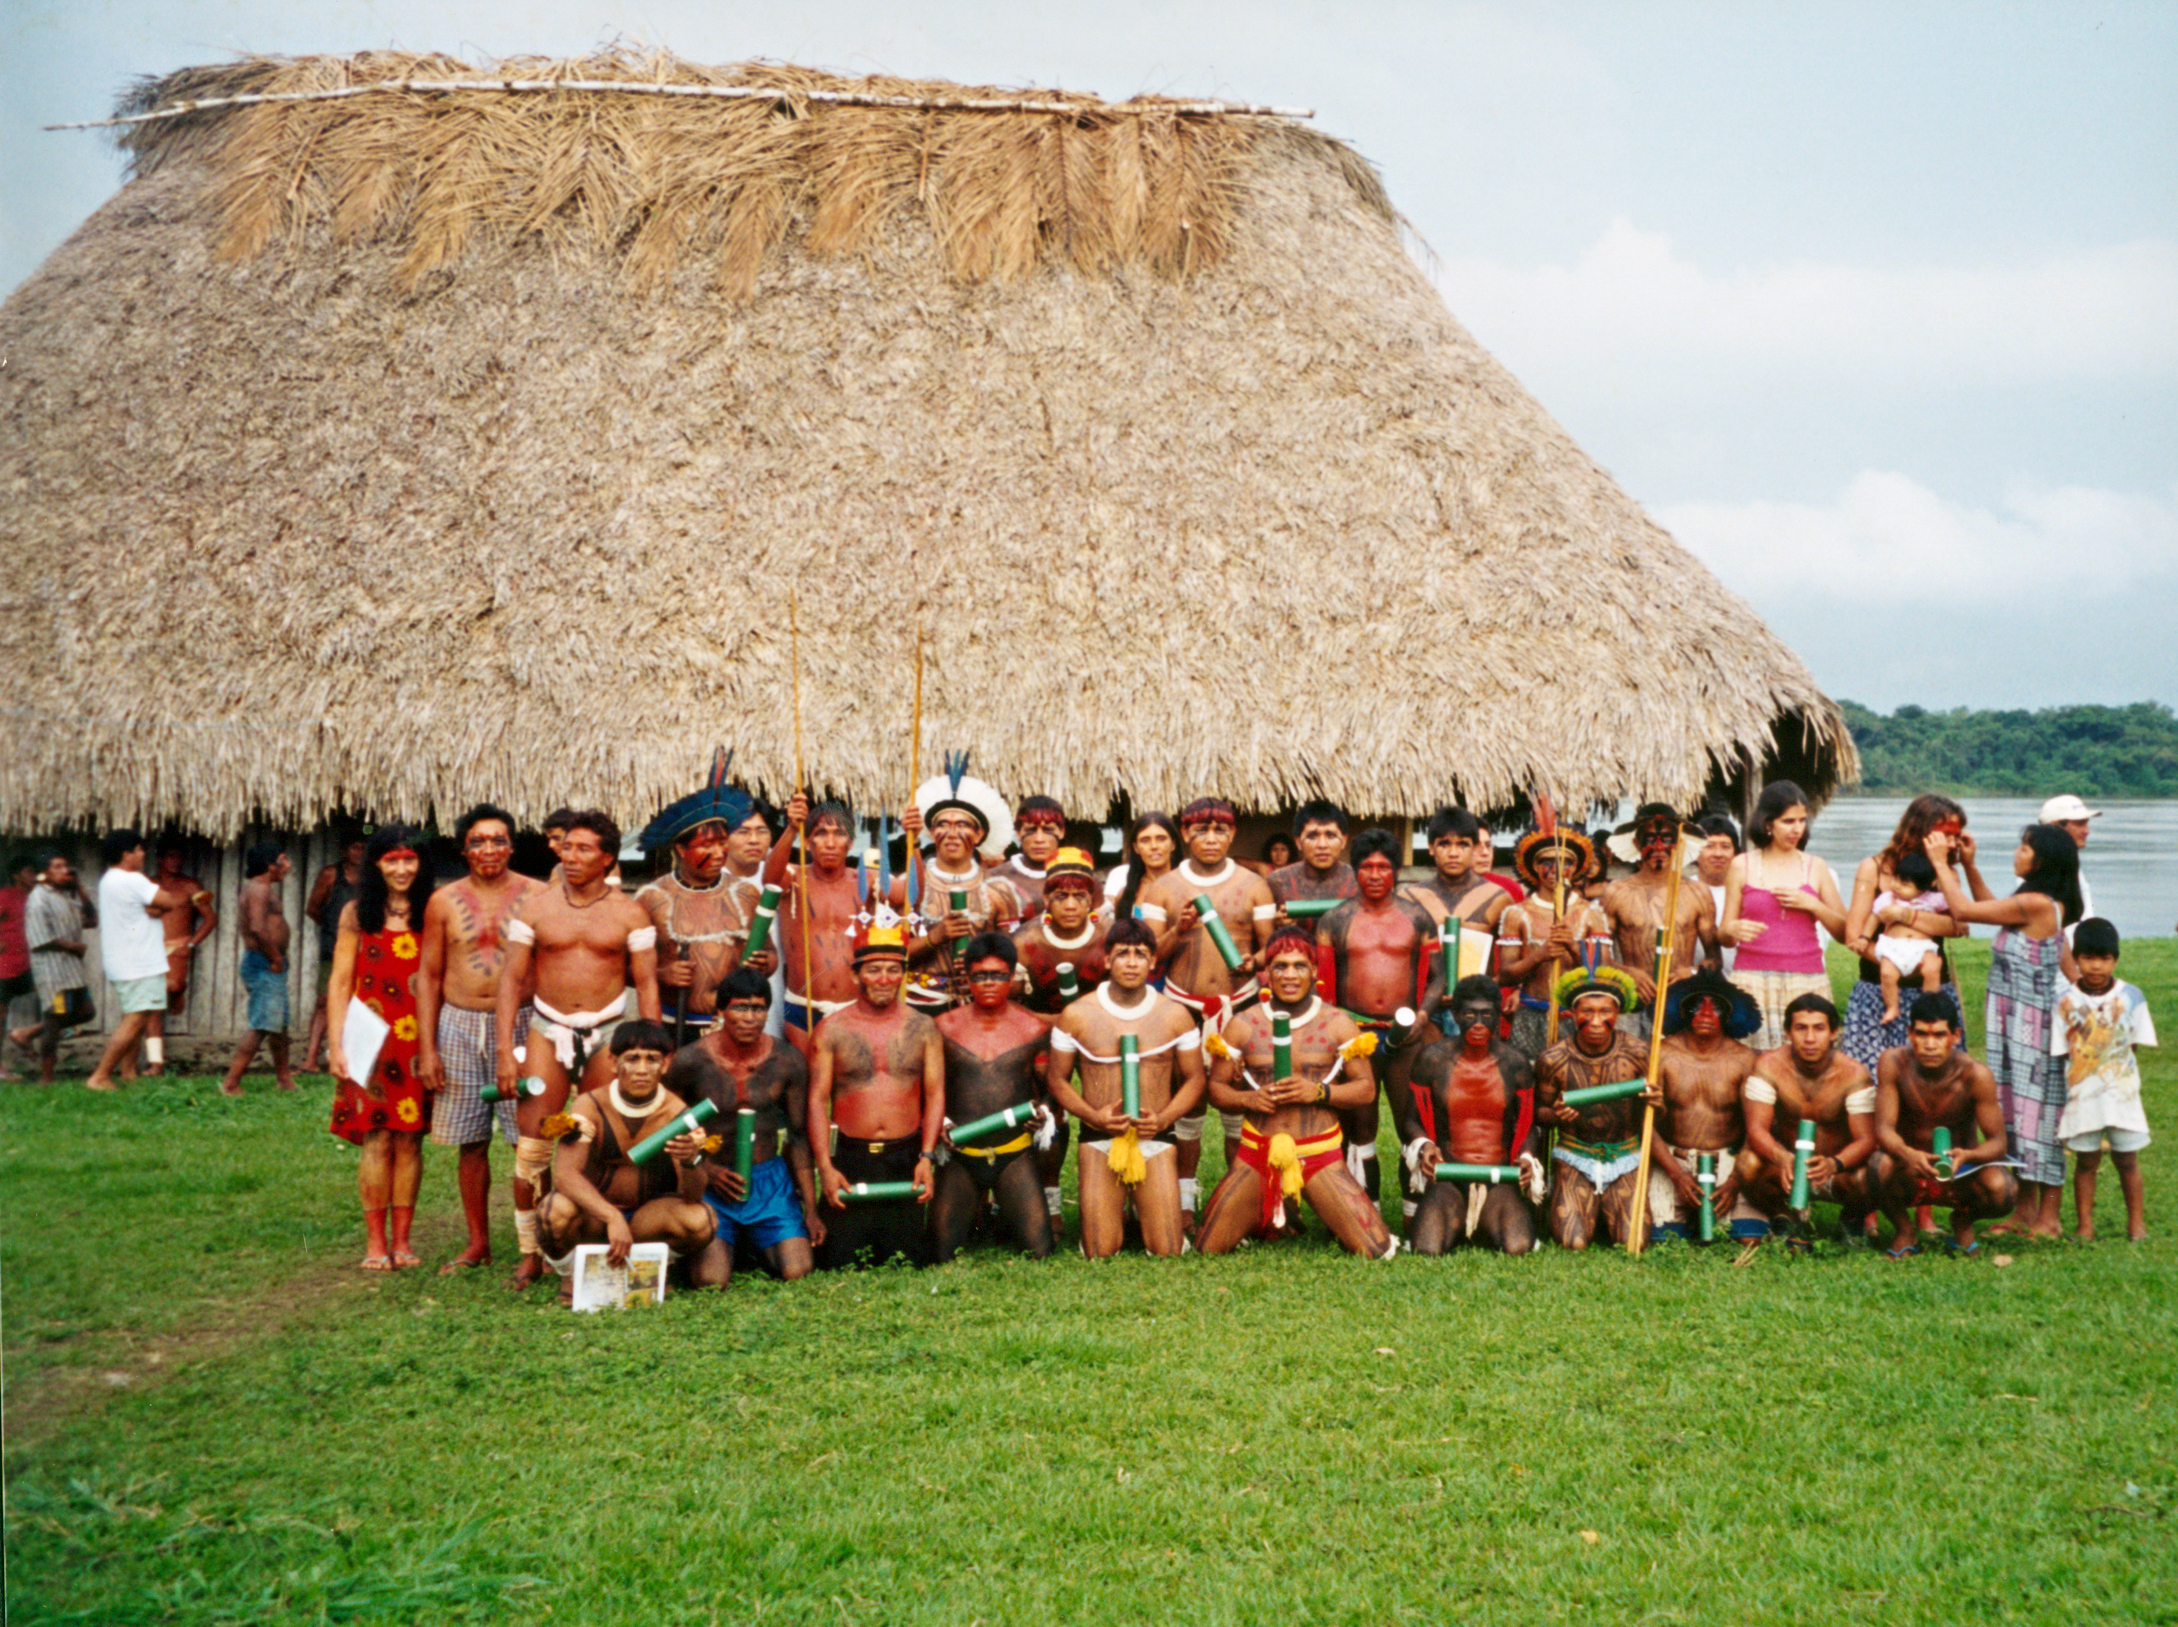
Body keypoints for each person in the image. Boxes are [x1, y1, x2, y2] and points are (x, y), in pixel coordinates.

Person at [496, 809, 662, 1288]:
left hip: (608, 1032)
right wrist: (506, 1050)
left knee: (601, 1144)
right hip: (546, 1028)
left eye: (583, 849)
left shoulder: (630, 913)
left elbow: (647, 985)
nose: (570, 857)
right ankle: (531, 1252)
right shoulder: (536, 908)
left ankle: (592, 1240)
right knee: (533, 1146)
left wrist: (652, 1050)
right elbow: (511, 980)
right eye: (566, 847)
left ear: (607, 858)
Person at [1197, 926, 1396, 1258]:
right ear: (1266, 973)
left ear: (1314, 971)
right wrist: (1248, 1098)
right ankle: (1273, 1211)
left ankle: (1291, 1209)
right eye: (1280, 966)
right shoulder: (1243, 1023)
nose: (1290, 975)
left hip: (1319, 1152)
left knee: (1376, 1249)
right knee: (1208, 1248)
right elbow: (1216, 1089)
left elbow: (1365, 1090)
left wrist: (1318, 1092)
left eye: (1299, 966)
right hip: (1258, 1152)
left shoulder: (1338, 1023)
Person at [1926, 821, 2079, 1242]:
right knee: (2015, 1117)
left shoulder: (2037, 903)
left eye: (2024, 848)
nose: (2017, 852)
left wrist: (1940, 862)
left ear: (2043, 860)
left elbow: (1963, 911)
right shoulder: (2031, 903)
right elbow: (1991, 906)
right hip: (2013, 1028)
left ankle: (2049, 1218)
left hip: (2032, 1029)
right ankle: (2024, 1211)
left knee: (2041, 1119)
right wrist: (1970, 867)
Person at [416, 803, 545, 1273]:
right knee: (470, 1141)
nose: (488, 849)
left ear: (511, 846)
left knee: (528, 1139)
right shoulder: (443, 901)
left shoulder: (538, 895)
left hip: (523, 1022)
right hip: (459, 1022)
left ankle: (540, 1241)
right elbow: (429, 976)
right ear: (464, 849)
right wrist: (427, 1048)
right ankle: (478, 1243)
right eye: (478, 841)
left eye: (497, 840)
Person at [1138, 797, 1276, 1222]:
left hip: (1241, 1005)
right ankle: (1183, 1201)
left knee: (1239, 1103)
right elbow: (1149, 957)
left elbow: (1270, 947)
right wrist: (1178, 930)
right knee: (1189, 1103)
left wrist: (1255, 961)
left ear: (1232, 834)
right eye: (1201, 830)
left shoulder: (1254, 884)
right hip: (1183, 1005)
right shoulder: (1162, 888)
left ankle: (1239, 1200)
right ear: (1185, 833)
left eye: (1220, 830)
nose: (1211, 838)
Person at [1044, 917, 1206, 1259]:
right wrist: (1094, 1117)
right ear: (1106, 960)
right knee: (1099, 1251)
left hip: (1154, 1136)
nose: (1131, 962)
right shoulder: (1077, 1014)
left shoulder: (1175, 1014)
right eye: (1122, 954)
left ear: (1153, 961)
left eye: (1140, 954)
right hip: (1099, 1136)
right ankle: (1119, 1209)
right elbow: (1057, 1079)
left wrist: (1163, 1119)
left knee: (1167, 1250)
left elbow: (1195, 1079)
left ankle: (1142, 1207)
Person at [537, 1019, 715, 1302]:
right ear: (612, 1062)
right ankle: (571, 1272)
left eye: (652, 1059)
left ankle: (658, 1265)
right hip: (595, 1217)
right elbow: (565, 1175)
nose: (642, 1069)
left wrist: (691, 1160)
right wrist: (612, 1217)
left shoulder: (677, 1113)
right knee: (553, 1213)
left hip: (646, 1220)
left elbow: (692, 1196)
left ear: (666, 1064)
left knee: (701, 1221)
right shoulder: (589, 1105)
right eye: (632, 1058)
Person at [327, 824, 436, 1270]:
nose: (402, 869)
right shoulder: (357, 913)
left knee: (409, 1140)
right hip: (368, 1040)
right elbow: (339, 982)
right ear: (376, 863)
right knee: (377, 1137)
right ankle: (375, 1244)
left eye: (410, 859)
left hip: (419, 1041)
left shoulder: (434, 910)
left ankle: (403, 1242)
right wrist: (336, 1045)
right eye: (392, 860)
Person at [1315, 828, 1444, 1208]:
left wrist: (1422, 1016)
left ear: (1396, 871)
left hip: (1407, 1036)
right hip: (1355, 1035)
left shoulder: (1417, 917)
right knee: (1360, 1128)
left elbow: (1439, 977)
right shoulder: (1335, 920)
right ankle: (1362, 1213)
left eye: (1383, 867)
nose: (1375, 875)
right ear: (1354, 870)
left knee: (1412, 1127)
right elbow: (1323, 986)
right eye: (1367, 867)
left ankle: (1414, 1212)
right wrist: (1338, 1032)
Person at [667, 967, 819, 1284]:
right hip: (712, 1180)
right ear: (721, 1010)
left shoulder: (787, 1060)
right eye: (740, 1007)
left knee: (798, 1271)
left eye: (759, 1008)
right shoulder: (690, 1061)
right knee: (711, 1281)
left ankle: (753, 1239)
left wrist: (812, 1210)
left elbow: (798, 1135)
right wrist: (706, 1170)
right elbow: (668, 1129)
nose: (750, 1018)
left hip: (768, 1180)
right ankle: (731, 1242)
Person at [809, 922, 943, 1268]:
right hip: (851, 1158)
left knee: (909, 1260)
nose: (884, 979)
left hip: (905, 1157)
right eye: (874, 970)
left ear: (903, 975)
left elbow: (935, 1094)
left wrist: (926, 1158)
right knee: (837, 1261)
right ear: (856, 975)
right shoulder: (831, 1029)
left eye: (893, 970)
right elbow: (817, 1101)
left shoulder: (923, 1027)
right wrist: (825, 1167)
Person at [930, 933, 1054, 1262]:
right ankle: (981, 1217)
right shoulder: (942, 1027)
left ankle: (997, 1217)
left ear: (1011, 977)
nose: (988, 983)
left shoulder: (1034, 1029)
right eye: (980, 975)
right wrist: (942, 1122)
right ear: (967, 978)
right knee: (940, 1252)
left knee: (1040, 1249)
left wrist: (1043, 1113)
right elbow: (928, 1089)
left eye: (997, 975)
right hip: (961, 1152)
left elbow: (1050, 1089)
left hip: (1014, 1152)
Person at [1398, 975, 1543, 1255]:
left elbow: (1528, 1126)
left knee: (1518, 1247)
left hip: (1498, 1177)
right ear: (1455, 1015)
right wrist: (1425, 1146)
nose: (1478, 1023)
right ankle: (1460, 1218)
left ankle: (1484, 1219)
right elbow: (1410, 1120)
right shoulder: (1432, 1059)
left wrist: (1526, 1158)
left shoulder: (1515, 1064)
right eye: (1469, 1014)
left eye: (1486, 1015)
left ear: (1498, 1016)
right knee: (1426, 1249)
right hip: (1448, 1177)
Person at [1870, 994, 2018, 1256]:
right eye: (1921, 1034)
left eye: (1939, 1035)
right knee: (1877, 1167)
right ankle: (1905, 1231)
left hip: (1959, 1174)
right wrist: (1907, 1153)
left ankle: (1962, 1221)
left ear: (1955, 1036)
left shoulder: (1976, 1075)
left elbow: (1998, 1142)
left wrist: (1968, 1156)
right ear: (1910, 1033)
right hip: (1910, 1169)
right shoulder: (1893, 1063)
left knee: (2003, 1190)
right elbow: (1883, 1129)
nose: (1930, 1045)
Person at [635, 772, 773, 1043]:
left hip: (735, 1030)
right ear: (681, 849)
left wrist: (767, 962)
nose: (720, 853)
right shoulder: (652, 898)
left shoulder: (745, 893)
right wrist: (661, 974)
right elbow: (623, 968)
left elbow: (770, 952)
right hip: (674, 1026)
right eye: (708, 845)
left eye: (723, 843)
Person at [1010, 848, 1107, 1231]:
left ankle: (1118, 1193)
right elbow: (1010, 1006)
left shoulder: (1107, 936)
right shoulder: (1026, 940)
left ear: (1092, 900)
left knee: (1107, 1104)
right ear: (1046, 897)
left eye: (1079, 896)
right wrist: (1058, 1022)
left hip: (1098, 1033)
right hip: (1042, 1036)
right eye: (1061, 896)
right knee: (1051, 1112)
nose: (1070, 905)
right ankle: (1048, 1199)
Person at [1838, 796, 1971, 1071]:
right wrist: (1897, 962)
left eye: (1956, 837)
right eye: (1946, 835)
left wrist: (1905, 916)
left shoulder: (1945, 874)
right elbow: (1854, 935)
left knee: (1933, 1081)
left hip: (1930, 990)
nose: (1951, 844)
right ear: (1920, 830)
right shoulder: (1874, 868)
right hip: (1878, 990)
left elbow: (1960, 927)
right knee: (1870, 1077)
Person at [1735, 994, 1880, 1243]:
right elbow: (1756, 1129)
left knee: (1878, 1170)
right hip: (1789, 1168)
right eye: (1801, 1028)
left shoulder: (1854, 1073)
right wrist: (1782, 1157)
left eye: (1819, 1028)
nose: (1810, 1038)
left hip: (1837, 1170)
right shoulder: (1769, 1066)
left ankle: (1851, 1218)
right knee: (1746, 1163)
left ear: (1834, 1032)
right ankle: (1784, 1215)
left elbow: (1866, 1139)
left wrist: (1835, 1163)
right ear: (1787, 1032)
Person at [1719, 783, 1848, 1050]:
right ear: (1768, 823)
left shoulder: (1816, 867)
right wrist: (1732, 929)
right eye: (1788, 821)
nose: (1796, 829)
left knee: (1807, 1056)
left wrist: (1814, 905)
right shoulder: (1741, 865)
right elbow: (1724, 936)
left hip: (1806, 979)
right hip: (1751, 980)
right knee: (1749, 1058)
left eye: (1802, 821)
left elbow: (1845, 933)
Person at [1533, 967, 1654, 1250]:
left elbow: (1653, 1117)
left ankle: (1604, 1212)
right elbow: (1539, 1113)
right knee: (1572, 1242)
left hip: (1625, 1156)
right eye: (1588, 1011)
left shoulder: (1638, 1053)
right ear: (1573, 1013)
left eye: (1605, 1012)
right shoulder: (1553, 1059)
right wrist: (1556, 1115)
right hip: (1574, 1155)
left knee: (1633, 1242)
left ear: (1618, 1013)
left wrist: (1656, 1104)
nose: (1597, 1021)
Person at [2052, 919, 2154, 1242]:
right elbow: (2063, 1050)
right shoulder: (2064, 1002)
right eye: (2088, 958)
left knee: (2127, 1159)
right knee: (2086, 1161)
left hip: (2122, 1095)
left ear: (2115, 960)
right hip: (2083, 1095)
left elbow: (2132, 1044)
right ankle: (2085, 1225)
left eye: (2104, 958)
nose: (2096, 966)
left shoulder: (2132, 997)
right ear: (2075, 959)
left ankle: (2136, 1223)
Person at [1645, 968, 1762, 1241]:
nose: (1706, 1013)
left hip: (1728, 1161)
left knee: (1750, 1237)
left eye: (1716, 1007)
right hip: (1673, 1160)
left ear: (1729, 1016)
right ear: (1682, 1012)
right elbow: (1646, 1123)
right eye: (1697, 1005)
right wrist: (1676, 1175)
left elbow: (1756, 1127)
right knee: (1664, 1239)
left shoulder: (1745, 1059)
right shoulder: (1661, 1054)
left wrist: (1734, 1182)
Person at [898, 765, 1024, 1011]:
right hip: (917, 1004)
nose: (952, 833)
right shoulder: (907, 886)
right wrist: (933, 938)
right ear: (931, 831)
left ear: (979, 834)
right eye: (943, 824)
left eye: (963, 825)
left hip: (976, 1007)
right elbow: (889, 954)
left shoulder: (999, 890)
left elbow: (1011, 959)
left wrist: (978, 967)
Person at [1496, 829, 1614, 1059]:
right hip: (1529, 1017)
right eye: (1547, 862)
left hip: (1576, 1019)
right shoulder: (1516, 914)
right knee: (1528, 1077)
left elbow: (1603, 974)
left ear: (1576, 867)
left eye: (1565, 862)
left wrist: (1573, 946)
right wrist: (1538, 956)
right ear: (1534, 866)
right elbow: (1505, 976)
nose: (1556, 870)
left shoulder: (1591, 914)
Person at [764, 795, 865, 1052]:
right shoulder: (793, 877)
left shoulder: (866, 881)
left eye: (839, 834)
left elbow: (913, 896)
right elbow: (770, 882)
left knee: (850, 1075)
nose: (830, 843)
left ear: (851, 842)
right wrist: (791, 828)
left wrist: (914, 844)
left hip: (854, 1006)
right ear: (808, 842)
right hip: (801, 1006)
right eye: (821, 833)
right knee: (807, 1074)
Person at [1601, 805, 1717, 1029]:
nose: (1659, 847)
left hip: (1681, 1002)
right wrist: (1628, 973)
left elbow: (1714, 960)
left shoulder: (1698, 893)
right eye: (1649, 839)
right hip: (1632, 1002)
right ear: (1636, 843)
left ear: (1679, 843)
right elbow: (1599, 957)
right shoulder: (1616, 892)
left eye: (1667, 838)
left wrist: (1692, 972)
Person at [85, 829, 175, 1092]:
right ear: (126, 854)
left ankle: (128, 1072)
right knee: (136, 1018)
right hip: (139, 961)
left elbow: (149, 907)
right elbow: (168, 900)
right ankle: (100, 1075)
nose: (143, 854)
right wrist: (157, 906)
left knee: (137, 1016)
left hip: (123, 959)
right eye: (139, 849)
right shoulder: (133, 879)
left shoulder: (109, 880)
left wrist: (153, 908)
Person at [218, 841, 298, 1096]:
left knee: (278, 1026)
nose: (288, 866)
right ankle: (231, 1083)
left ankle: (284, 1079)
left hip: (268, 961)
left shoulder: (261, 888)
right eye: (283, 860)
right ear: (269, 864)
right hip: (264, 963)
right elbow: (257, 928)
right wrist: (275, 957)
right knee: (262, 1024)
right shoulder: (259, 889)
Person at [1400, 808, 1514, 978]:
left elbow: (1513, 964)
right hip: (1425, 994)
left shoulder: (1498, 898)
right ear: (1431, 848)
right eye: (1444, 844)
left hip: (1477, 993)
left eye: (1463, 845)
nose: (1453, 854)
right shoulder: (1409, 898)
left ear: (1474, 848)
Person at [22, 851, 97, 1082]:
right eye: (58, 867)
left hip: (71, 969)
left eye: (66, 866)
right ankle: (47, 1078)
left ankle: (26, 1032)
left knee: (87, 1012)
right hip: (53, 969)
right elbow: (40, 938)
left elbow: (92, 920)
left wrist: (80, 887)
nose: (66, 870)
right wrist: (73, 946)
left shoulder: (64, 896)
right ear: (44, 873)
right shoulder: (38, 899)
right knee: (54, 1021)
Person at [149, 838, 216, 1071]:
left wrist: (191, 944)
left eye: (179, 857)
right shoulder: (148, 884)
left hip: (178, 947)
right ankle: (156, 1062)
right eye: (171, 856)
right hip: (152, 948)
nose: (176, 862)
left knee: (173, 985)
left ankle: (179, 992)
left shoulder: (191, 886)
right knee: (154, 1005)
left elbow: (210, 918)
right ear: (159, 859)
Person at [304, 828, 366, 1071]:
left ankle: (352, 1055)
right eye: (355, 847)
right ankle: (310, 1059)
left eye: (364, 848)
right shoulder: (331, 875)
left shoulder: (373, 877)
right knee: (324, 1001)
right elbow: (313, 908)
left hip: (365, 950)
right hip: (333, 949)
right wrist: (337, 930)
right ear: (344, 851)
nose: (360, 852)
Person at [1869, 850, 1947, 1024]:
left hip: (1922, 947)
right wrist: (1864, 938)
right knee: (1887, 973)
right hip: (1893, 946)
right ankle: (1892, 1007)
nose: (1896, 886)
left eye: (1904, 883)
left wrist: (1943, 876)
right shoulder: (1888, 898)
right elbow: (1874, 917)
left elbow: (1955, 905)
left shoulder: (1933, 899)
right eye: (1895, 879)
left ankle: (1929, 1007)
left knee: (1932, 969)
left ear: (1925, 886)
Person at [1267, 801, 1356, 911]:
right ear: (1298, 842)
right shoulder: (1278, 882)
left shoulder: (1358, 881)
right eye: (1312, 836)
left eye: (1331, 836)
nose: (1322, 845)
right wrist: (1276, 920)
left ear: (1344, 841)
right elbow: (1263, 920)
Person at [997, 795, 1068, 920]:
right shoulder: (997, 877)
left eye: (1048, 830)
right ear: (1018, 833)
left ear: (1061, 832)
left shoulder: (1079, 876)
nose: (1039, 839)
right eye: (1031, 830)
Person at [2039, 793, 2099, 936]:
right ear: (2055, 826)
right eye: (2080, 824)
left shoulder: (2068, 863)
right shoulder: (2044, 869)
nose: (2087, 831)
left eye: (2087, 823)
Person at [0, 854, 38, 1078]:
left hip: (30, 964)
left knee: (56, 1002)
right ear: (16, 876)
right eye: (29, 872)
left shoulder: (36, 897)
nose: (34, 876)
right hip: (6, 965)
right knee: (1, 1016)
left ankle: (28, 1036)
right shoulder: (6, 895)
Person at [1103, 811, 1178, 918]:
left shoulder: (1187, 887)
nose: (1154, 846)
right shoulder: (1125, 897)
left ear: (1173, 844)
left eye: (1161, 839)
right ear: (1136, 848)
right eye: (1145, 840)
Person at [1690, 814, 1740, 973]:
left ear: (1735, 853)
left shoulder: (1747, 893)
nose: (1718, 854)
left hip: (1741, 981)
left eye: (1725, 846)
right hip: (1693, 982)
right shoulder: (1684, 891)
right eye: (1709, 846)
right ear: (1695, 852)